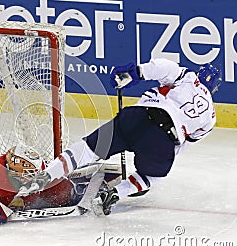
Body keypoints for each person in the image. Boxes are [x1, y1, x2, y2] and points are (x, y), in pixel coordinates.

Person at [17, 58, 222, 216]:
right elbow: (182, 144)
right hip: (163, 140)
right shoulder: (210, 119)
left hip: (137, 117)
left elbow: (166, 67)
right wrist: (160, 159)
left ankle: (47, 175)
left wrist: (137, 72)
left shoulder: (189, 77)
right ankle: (115, 194)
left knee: (87, 149)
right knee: (153, 176)